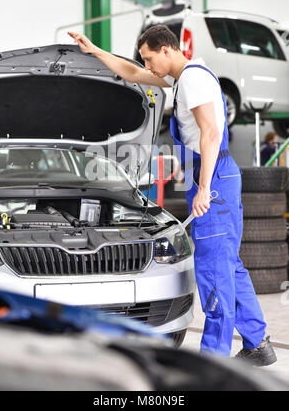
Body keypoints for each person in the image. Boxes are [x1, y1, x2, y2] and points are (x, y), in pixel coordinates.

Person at [68, 25, 277, 366]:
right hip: (214, 174)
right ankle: (257, 344)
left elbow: (210, 133)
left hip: (216, 178)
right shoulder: (182, 78)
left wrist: (205, 188)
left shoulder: (192, 80)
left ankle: (214, 362)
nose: (148, 66)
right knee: (230, 266)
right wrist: (95, 51)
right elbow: (133, 73)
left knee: (213, 271)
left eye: (151, 57)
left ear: (167, 49)